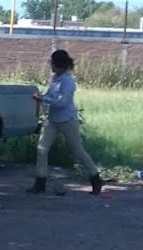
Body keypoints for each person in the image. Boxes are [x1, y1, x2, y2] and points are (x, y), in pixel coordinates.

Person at [27, 49, 103, 194]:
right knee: (42, 149)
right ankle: (40, 182)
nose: (51, 66)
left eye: (53, 63)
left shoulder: (68, 81)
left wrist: (43, 99)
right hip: (53, 120)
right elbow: (50, 94)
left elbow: (61, 103)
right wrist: (41, 96)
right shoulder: (55, 78)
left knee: (78, 150)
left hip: (67, 120)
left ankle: (95, 178)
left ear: (59, 64)